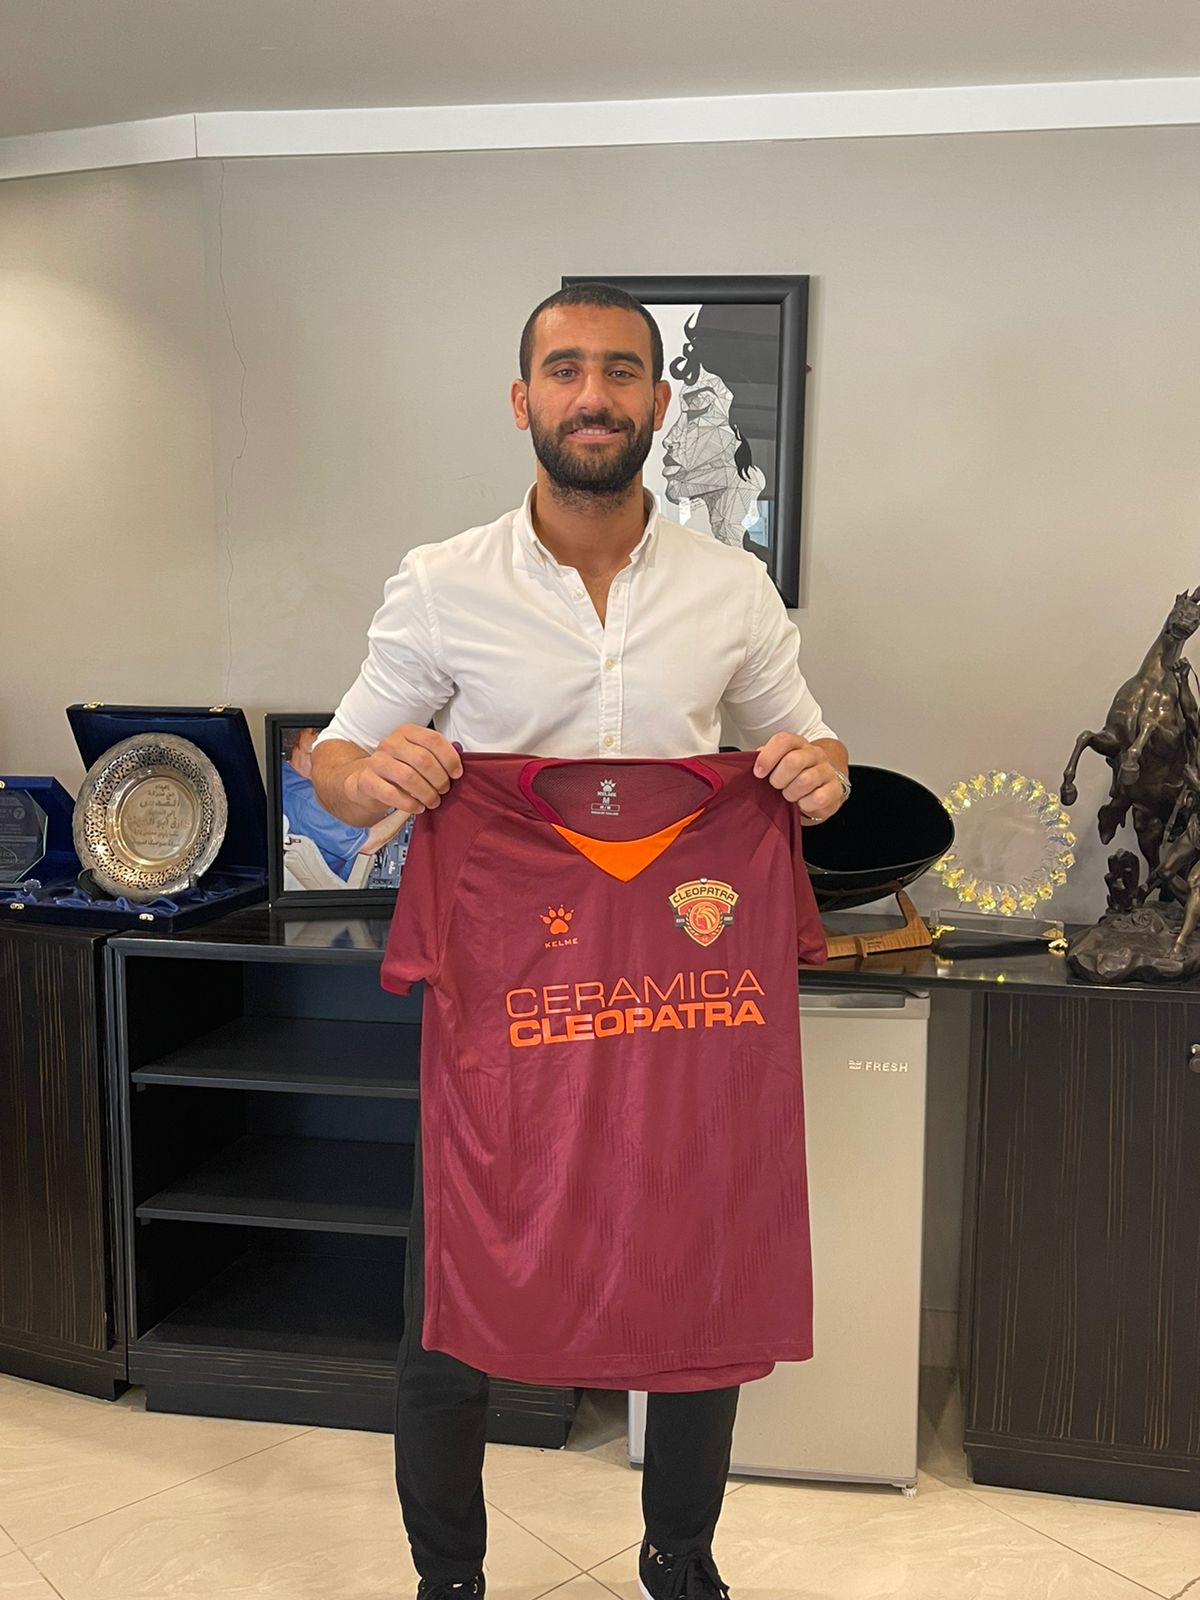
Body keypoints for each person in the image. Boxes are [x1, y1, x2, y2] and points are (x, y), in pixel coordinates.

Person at [311, 281, 850, 1600]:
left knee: (697, 1278)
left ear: (659, 402)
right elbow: (335, 756)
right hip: (509, 1001)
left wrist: (818, 773)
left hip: (681, 995)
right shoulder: (443, 582)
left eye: (619, 372)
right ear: (524, 399)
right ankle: (449, 1576)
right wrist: (372, 778)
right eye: (565, 370)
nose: (592, 395)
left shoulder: (731, 588)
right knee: (455, 1301)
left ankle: (681, 1559)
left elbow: (811, 738)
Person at [280, 725, 407, 888]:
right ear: (295, 741)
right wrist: (410, 804)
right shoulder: (308, 801)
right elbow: (369, 843)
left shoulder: (284, 773)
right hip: (353, 873)